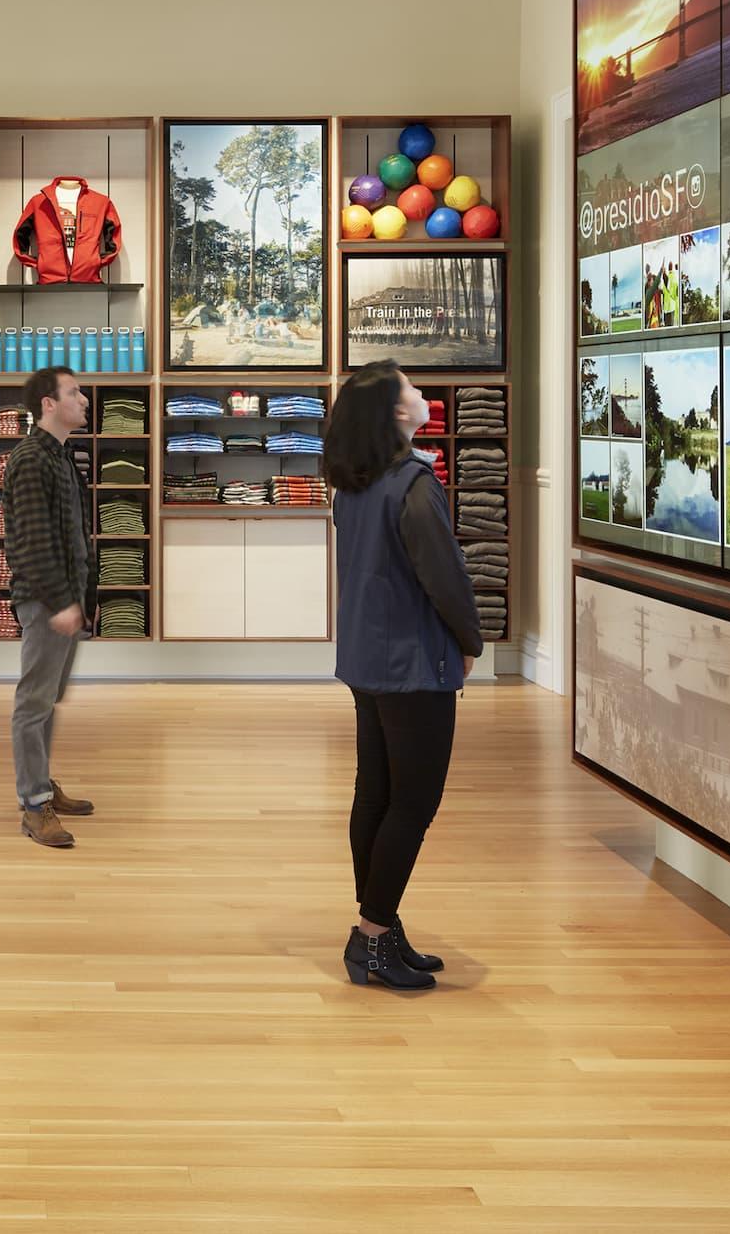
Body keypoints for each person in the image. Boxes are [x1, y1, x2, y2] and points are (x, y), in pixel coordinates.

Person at [326, 360, 484, 992]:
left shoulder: (355, 486)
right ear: (397, 412)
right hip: (414, 664)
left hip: (367, 660)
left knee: (376, 791)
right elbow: (443, 575)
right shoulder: (415, 484)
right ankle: (371, 935)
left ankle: (380, 928)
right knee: (414, 801)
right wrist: (470, 639)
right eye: (413, 390)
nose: (422, 396)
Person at [6, 365, 98, 848]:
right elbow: (32, 543)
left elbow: (75, 536)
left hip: (66, 599)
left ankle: (41, 784)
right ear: (48, 403)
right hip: (47, 603)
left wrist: (86, 597)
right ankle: (33, 804)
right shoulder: (30, 460)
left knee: (47, 701)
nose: (83, 399)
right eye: (74, 392)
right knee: (33, 702)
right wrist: (61, 602)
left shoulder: (61, 456)